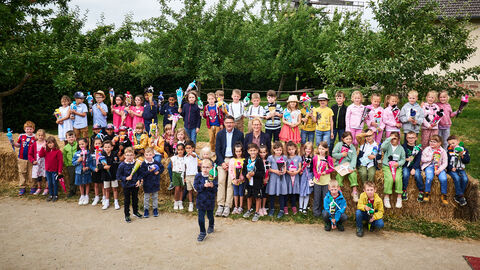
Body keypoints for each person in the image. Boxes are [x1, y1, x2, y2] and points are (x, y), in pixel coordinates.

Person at [215, 115, 245, 217]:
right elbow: (217, 150)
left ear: (234, 124)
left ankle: (228, 205)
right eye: (227, 122)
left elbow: (241, 149)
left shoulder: (239, 134)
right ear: (224, 123)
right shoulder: (220, 134)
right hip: (223, 159)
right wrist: (222, 163)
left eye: (231, 122)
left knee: (231, 183)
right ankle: (220, 204)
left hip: (234, 160)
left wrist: (233, 162)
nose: (229, 124)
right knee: (221, 181)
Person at [117, 147, 143, 223]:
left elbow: (139, 174)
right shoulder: (122, 165)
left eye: (131, 155)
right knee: (127, 201)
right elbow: (118, 176)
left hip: (135, 185)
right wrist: (125, 178)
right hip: (126, 186)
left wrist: (139, 180)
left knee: (135, 199)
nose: (129, 157)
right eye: (127, 155)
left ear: (134, 155)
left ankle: (135, 212)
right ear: (124, 156)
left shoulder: (136, 164)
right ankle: (127, 215)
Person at [194, 159, 218, 242]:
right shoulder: (198, 176)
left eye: (207, 167)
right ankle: (202, 232)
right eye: (203, 167)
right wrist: (203, 185)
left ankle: (211, 225)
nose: (205, 169)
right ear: (200, 167)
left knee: (210, 216)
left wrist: (212, 186)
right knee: (201, 218)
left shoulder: (213, 177)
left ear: (211, 168)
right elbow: (196, 188)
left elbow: (216, 189)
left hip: (210, 200)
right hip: (201, 201)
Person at [332, 131, 359, 202]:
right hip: (340, 165)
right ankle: (339, 191)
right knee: (339, 176)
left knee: (353, 174)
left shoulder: (352, 147)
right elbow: (333, 154)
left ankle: (354, 191)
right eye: (347, 139)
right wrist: (341, 155)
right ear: (343, 139)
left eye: (350, 139)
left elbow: (354, 158)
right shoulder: (339, 145)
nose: (349, 140)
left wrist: (352, 167)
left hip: (348, 165)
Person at [421, 135, 448, 204]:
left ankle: (443, 195)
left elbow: (445, 163)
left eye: (434, 142)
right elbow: (422, 159)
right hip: (429, 166)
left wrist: (439, 170)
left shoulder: (442, 151)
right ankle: (427, 193)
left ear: (439, 143)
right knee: (429, 177)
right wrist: (430, 158)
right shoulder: (427, 149)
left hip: (439, 167)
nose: (432, 143)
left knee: (443, 179)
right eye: (431, 141)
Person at [381, 132, 406, 209]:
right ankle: (386, 197)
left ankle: (399, 197)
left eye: (394, 138)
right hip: (387, 166)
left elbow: (403, 159)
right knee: (389, 179)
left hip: (397, 166)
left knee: (398, 179)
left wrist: (398, 164)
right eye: (391, 138)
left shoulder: (401, 148)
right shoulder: (388, 146)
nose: (392, 140)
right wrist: (389, 138)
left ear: (398, 139)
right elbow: (382, 147)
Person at [138, 147, 164, 218]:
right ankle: (146, 209)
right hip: (147, 183)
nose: (148, 156)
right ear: (144, 155)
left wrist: (158, 172)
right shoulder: (143, 164)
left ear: (153, 155)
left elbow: (162, 168)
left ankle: (155, 209)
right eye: (147, 155)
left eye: (150, 155)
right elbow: (142, 174)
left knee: (155, 196)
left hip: (155, 182)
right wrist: (149, 171)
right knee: (146, 197)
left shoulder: (156, 162)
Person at [242, 143, 265, 222]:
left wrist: (254, 174)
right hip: (248, 183)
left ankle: (257, 212)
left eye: (254, 150)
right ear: (248, 151)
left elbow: (262, 173)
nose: (253, 152)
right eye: (251, 150)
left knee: (257, 197)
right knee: (249, 196)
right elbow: (244, 171)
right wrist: (246, 175)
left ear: (257, 151)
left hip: (257, 183)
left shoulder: (259, 161)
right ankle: (249, 210)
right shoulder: (246, 160)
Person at [446, 135, 470, 206]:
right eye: (450, 144)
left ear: (458, 142)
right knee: (456, 178)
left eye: (453, 143)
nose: (451, 145)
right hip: (452, 170)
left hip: (460, 169)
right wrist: (450, 168)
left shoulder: (464, 150)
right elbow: (446, 162)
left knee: (465, 179)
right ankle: (461, 196)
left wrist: (462, 155)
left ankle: (458, 195)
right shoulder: (449, 151)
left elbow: (467, 161)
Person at [312, 141, 334, 217]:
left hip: (326, 182)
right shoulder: (315, 157)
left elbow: (332, 169)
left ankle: (325, 212)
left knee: (325, 198)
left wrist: (326, 172)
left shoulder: (329, 158)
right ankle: (316, 212)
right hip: (317, 181)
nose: (321, 151)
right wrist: (316, 176)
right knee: (316, 197)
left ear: (327, 149)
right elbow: (314, 168)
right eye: (319, 149)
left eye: (323, 149)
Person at [266, 141, 288, 218]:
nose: (279, 152)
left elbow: (285, 166)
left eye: (280, 150)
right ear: (274, 150)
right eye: (277, 150)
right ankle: (272, 208)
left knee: (281, 193)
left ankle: (281, 209)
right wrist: (275, 171)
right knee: (272, 193)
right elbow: (268, 168)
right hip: (273, 178)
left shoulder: (284, 157)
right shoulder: (270, 158)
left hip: (281, 178)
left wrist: (284, 171)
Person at [38, 136, 63, 202]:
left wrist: (59, 170)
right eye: (48, 143)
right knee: (49, 183)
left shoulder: (58, 152)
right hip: (48, 170)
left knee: (55, 183)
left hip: (55, 171)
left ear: (54, 143)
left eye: (51, 143)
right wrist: (42, 147)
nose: (50, 144)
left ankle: (55, 195)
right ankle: (51, 195)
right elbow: (40, 155)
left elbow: (60, 162)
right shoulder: (46, 151)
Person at [14, 120, 36, 195]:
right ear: (24, 129)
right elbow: (18, 145)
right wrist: (13, 143)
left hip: (31, 159)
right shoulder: (21, 136)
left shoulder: (35, 137)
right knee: (22, 173)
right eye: (27, 129)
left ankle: (33, 187)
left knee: (31, 173)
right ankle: (22, 188)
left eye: (30, 129)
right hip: (22, 158)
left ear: (33, 129)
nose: (29, 130)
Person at [402, 131, 424, 202]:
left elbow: (418, 160)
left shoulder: (418, 149)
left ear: (416, 138)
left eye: (413, 138)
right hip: (406, 166)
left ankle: (421, 191)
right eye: (409, 138)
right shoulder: (403, 147)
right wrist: (406, 159)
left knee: (417, 175)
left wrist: (414, 168)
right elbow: (400, 157)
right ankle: (404, 190)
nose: (411, 139)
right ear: (406, 138)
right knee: (405, 174)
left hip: (415, 166)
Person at [72, 138, 95, 205]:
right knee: (80, 184)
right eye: (80, 144)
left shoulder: (89, 153)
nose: (81, 145)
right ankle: (82, 195)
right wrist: (78, 161)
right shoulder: (77, 154)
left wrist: (88, 167)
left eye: (83, 144)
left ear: (86, 144)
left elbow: (91, 163)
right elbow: (73, 163)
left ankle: (87, 196)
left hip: (86, 172)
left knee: (87, 183)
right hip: (79, 171)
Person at [99, 140, 121, 210]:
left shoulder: (115, 156)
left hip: (113, 175)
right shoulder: (101, 156)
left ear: (112, 147)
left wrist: (111, 166)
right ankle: (107, 201)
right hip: (105, 175)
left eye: (109, 147)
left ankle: (116, 202)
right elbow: (98, 165)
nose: (107, 148)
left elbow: (118, 164)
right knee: (107, 189)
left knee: (115, 189)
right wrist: (103, 167)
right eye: (105, 147)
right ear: (103, 148)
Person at [284, 141, 302, 215]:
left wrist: (296, 172)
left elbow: (300, 167)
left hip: (296, 177)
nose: (291, 151)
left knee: (294, 192)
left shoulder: (298, 157)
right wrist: (288, 172)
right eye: (289, 149)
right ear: (287, 150)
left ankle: (294, 206)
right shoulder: (286, 158)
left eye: (292, 149)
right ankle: (285, 207)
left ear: (295, 149)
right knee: (287, 192)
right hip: (288, 177)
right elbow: (284, 167)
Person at [28, 129, 46, 195]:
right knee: (38, 175)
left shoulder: (46, 143)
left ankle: (47, 188)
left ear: (44, 136)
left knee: (46, 175)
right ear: (36, 136)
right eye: (39, 135)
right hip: (37, 162)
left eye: (42, 135)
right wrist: (32, 161)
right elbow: (30, 154)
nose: (40, 137)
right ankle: (39, 187)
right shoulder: (34, 144)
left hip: (45, 161)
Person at [229, 143, 245, 215]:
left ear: (242, 151)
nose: (238, 153)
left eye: (240, 151)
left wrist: (241, 178)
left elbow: (245, 171)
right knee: (235, 193)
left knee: (241, 193)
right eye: (237, 151)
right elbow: (231, 170)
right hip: (235, 181)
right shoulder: (232, 160)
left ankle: (241, 207)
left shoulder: (244, 160)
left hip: (242, 181)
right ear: (234, 152)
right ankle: (236, 206)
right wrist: (234, 178)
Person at [298, 142, 313, 214]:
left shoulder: (313, 158)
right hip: (303, 176)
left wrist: (310, 164)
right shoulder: (301, 157)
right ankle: (300, 207)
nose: (308, 150)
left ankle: (305, 207)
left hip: (309, 176)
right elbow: (299, 167)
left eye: (309, 149)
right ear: (304, 149)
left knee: (307, 193)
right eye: (306, 148)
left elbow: (313, 168)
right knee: (301, 192)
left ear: (311, 150)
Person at [171, 143, 186, 210]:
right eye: (178, 150)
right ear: (176, 150)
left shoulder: (185, 158)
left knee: (182, 188)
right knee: (177, 189)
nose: (180, 151)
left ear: (184, 150)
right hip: (176, 174)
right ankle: (176, 202)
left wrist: (185, 176)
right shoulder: (173, 158)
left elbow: (186, 167)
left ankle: (180, 202)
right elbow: (172, 167)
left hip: (182, 174)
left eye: (181, 150)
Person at [184, 140, 198, 212]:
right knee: (189, 190)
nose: (188, 150)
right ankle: (191, 203)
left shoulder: (194, 155)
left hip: (194, 175)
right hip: (188, 175)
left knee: (196, 190)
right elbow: (185, 167)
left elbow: (195, 156)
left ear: (193, 148)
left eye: (190, 148)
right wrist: (184, 177)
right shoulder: (185, 157)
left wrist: (191, 153)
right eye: (187, 148)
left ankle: (198, 203)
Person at [63, 131, 78, 197]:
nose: (71, 138)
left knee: (79, 177)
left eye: (72, 137)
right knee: (71, 178)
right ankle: (72, 191)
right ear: (66, 138)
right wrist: (67, 164)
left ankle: (81, 190)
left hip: (78, 164)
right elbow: (65, 157)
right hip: (70, 165)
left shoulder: (78, 145)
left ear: (75, 137)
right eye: (69, 137)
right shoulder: (66, 147)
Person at [91, 138, 104, 206]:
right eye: (96, 143)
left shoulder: (103, 152)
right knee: (96, 184)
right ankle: (96, 197)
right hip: (95, 170)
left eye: (99, 143)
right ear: (93, 145)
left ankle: (104, 197)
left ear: (101, 144)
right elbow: (90, 163)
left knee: (102, 184)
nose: (98, 145)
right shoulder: (92, 153)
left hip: (102, 170)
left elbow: (105, 162)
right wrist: (93, 168)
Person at [258, 144, 270, 216]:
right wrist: (261, 179)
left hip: (266, 179)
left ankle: (263, 207)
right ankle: (259, 208)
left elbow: (268, 170)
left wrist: (267, 178)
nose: (262, 154)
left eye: (264, 152)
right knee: (260, 194)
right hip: (259, 180)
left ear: (266, 152)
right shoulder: (258, 161)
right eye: (261, 152)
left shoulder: (268, 161)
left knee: (264, 194)